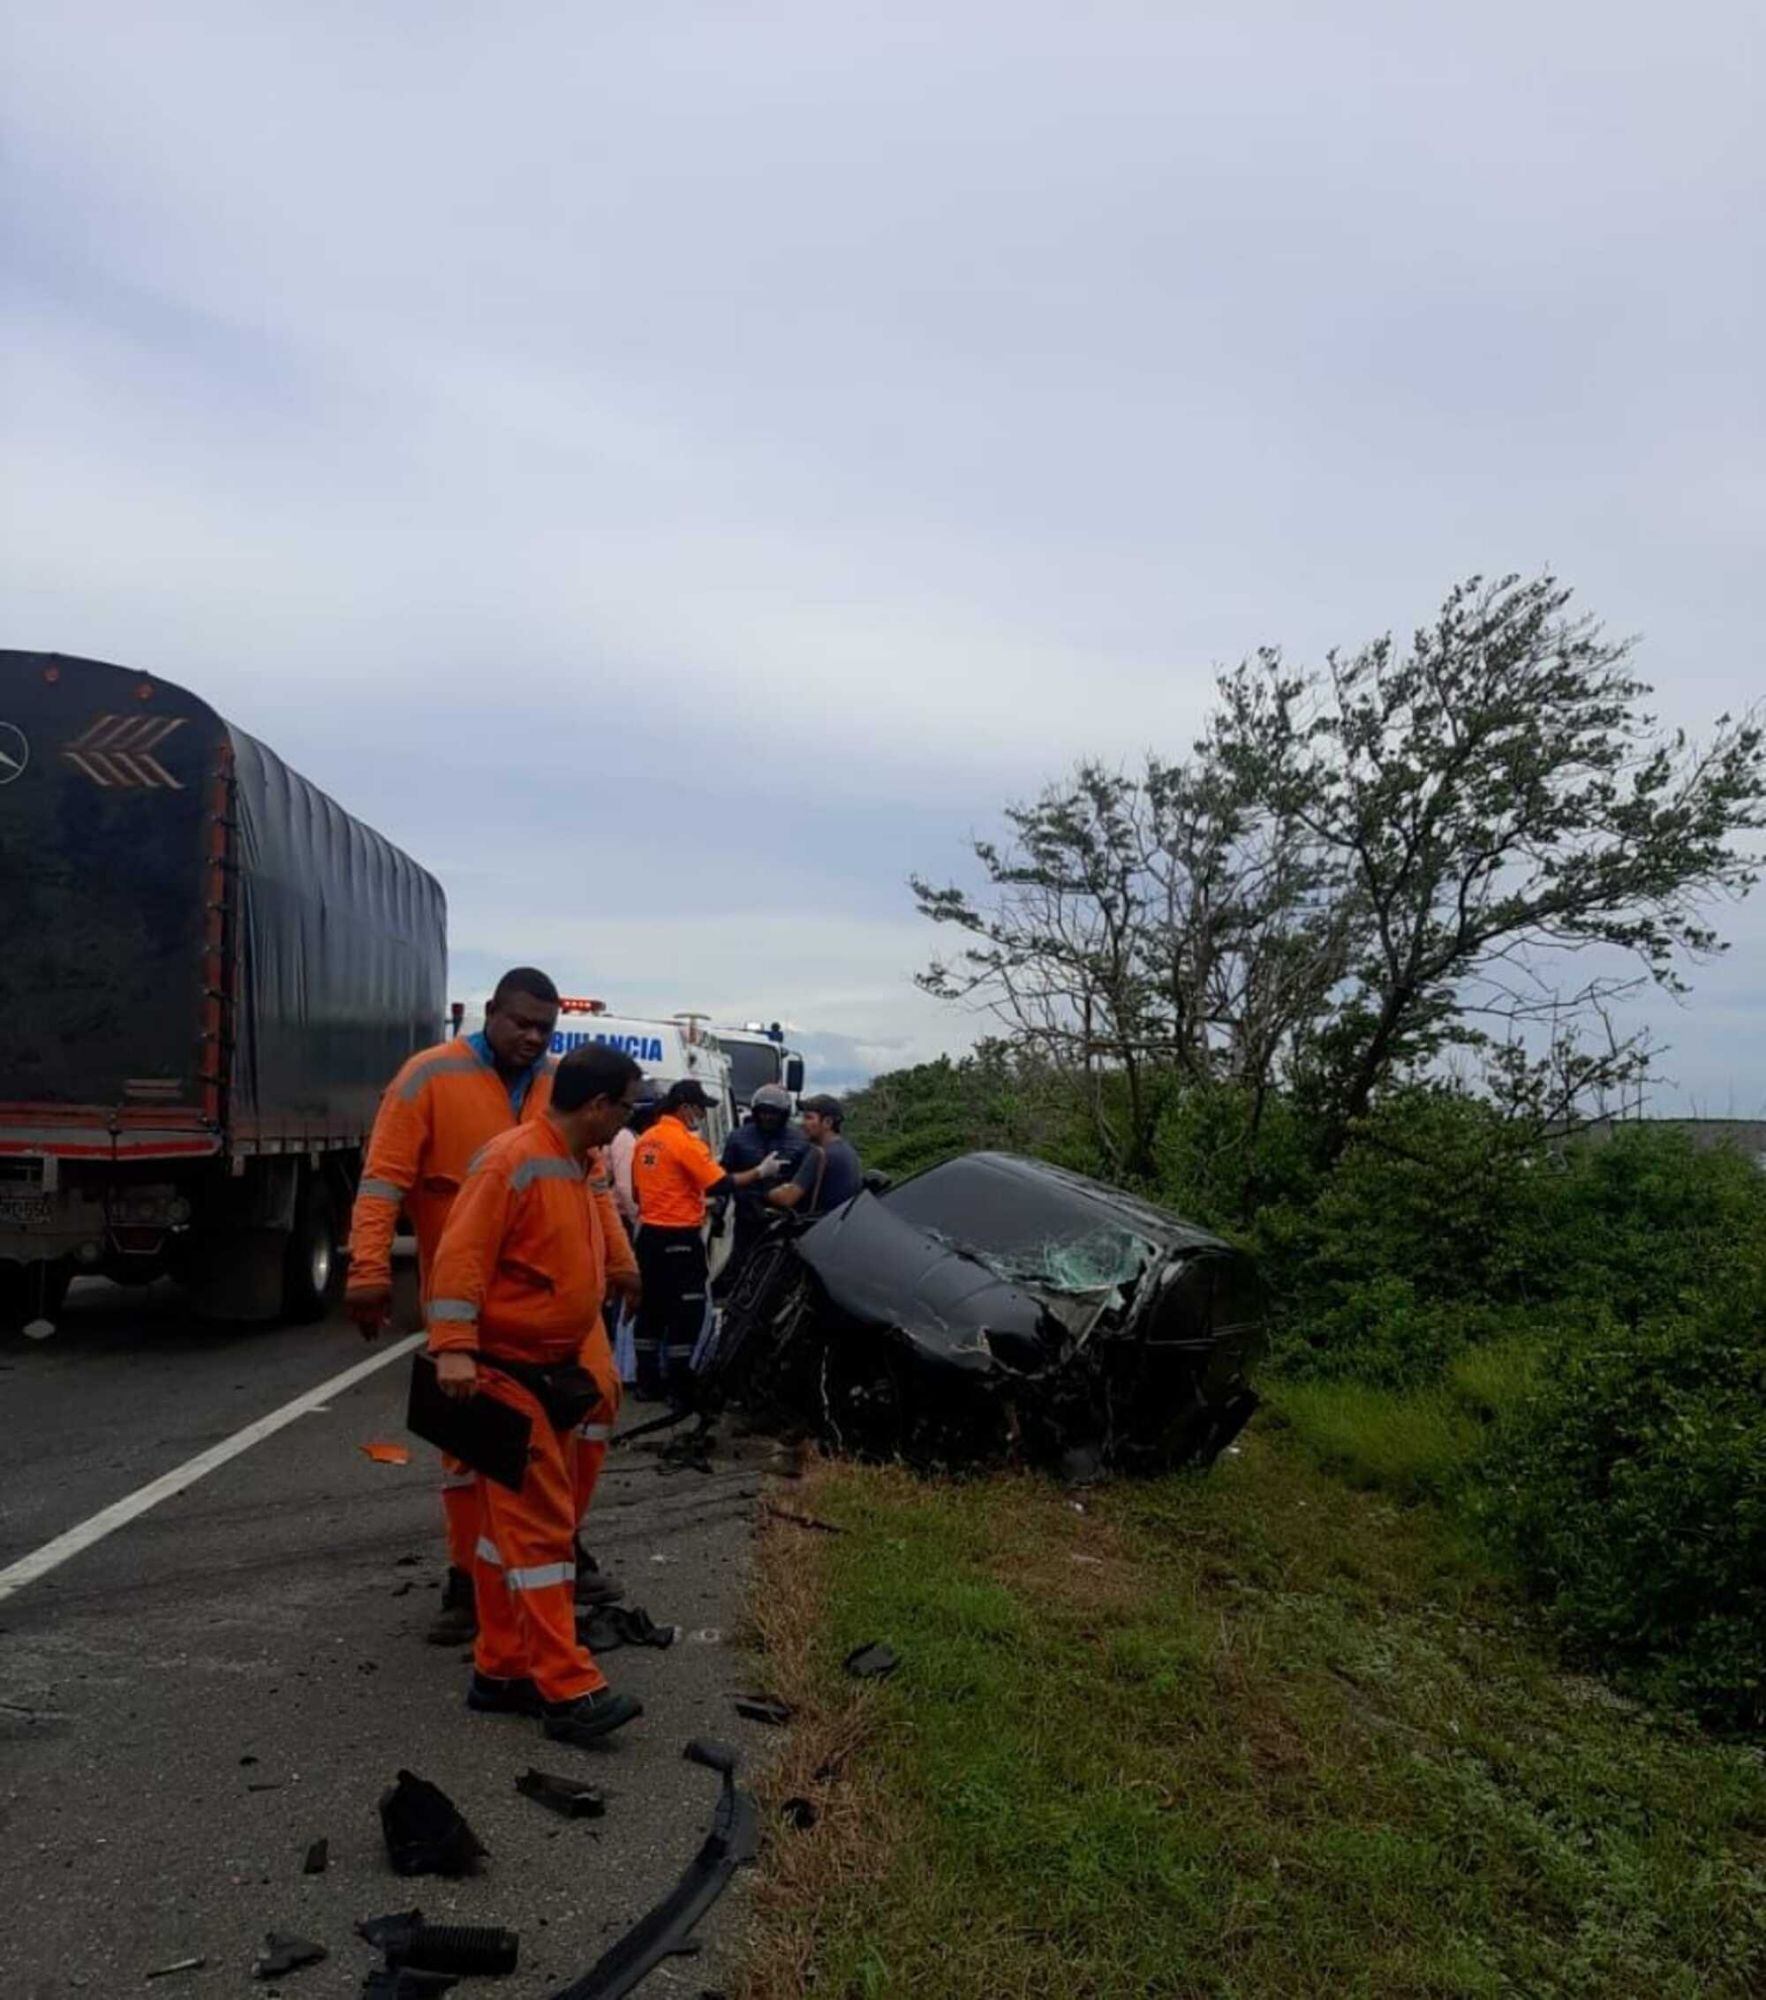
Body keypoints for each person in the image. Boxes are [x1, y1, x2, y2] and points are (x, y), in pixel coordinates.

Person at [425, 1043, 646, 1747]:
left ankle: (501, 1669)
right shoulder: (511, 1159)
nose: (625, 1123)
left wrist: (617, 1269)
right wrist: (454, 1347)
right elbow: (461, 1256)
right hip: (502, 1375)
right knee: (545, 1532)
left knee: (501, 1539)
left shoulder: (574, 1164)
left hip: (542, 1373)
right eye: (626, 1108)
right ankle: (567, 1687)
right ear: (598, 1105)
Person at [346, 968, 563, 1645]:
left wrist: (612, 1264)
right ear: (490, 1011)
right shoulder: (427, 1078)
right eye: (520, 1022)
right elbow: (384, 1181)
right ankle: (466, 1584)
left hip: (539, 1306)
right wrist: (368, 1271)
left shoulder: (555, 1085)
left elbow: (580, 1184)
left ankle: (549, 1566)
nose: (531, 1037)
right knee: (468, 1455)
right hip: (460, 1303)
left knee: (552, 1444)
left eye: (543, 1029)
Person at [630, 1079, 781, 1401]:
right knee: (688, 1309)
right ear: (685, 1107)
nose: (700, 1115)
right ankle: (679, 1385)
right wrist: (760, 1172)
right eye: (699, 1109)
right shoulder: (684, 1142)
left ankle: (646, 1381)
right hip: (679, 1237)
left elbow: (637, 1190)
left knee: (651, 1308)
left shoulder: (646, 1140)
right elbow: (720, 1183)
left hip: (648, 1237)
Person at [718, 1083, 808, 1282]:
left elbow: (805, 1180)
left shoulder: (800, 1141)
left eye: (773, 1113)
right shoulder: (738, 1138)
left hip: (783, 1217)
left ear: (784, 1114)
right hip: (746, 1215)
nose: (767, 1117)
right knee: (741, 1264)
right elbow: (724, 1176)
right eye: (763, 1112)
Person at [766, 1094, 863, 1219]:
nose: (803, 1123)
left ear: (827, 1122)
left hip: (816, 1227)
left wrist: (766, 1191)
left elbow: (787, 1198)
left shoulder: (820, 1154)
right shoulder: (849, 1151)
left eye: (809, 1118)